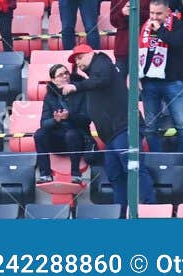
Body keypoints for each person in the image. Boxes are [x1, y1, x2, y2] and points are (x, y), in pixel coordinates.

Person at [66, 43, 154, 204]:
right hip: (111, 135)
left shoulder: (102, 62)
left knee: (133, 168)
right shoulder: (93, 77)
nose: (78, 63)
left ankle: (149, 207)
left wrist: (76, 87)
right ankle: (121, 212)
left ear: (91, 53)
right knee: (115, 174)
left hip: (124, 128)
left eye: (80, 57)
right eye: (75, 61)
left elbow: (102, 80)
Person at [138, 0, 183, 168]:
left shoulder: (178, 25)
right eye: (151, 13)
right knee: (150, 127)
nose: (154, 17)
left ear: (168, 12)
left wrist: (161, 30)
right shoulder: (144, 27)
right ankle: (158, 163)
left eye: (159, 14)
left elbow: (177, 42)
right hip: (149, 83)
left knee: (182, 126)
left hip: (172, 82)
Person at [31, 61, 92, 183]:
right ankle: (45, 174)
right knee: (39, 134)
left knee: (71, 134)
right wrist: (55, 120)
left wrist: (69, 116)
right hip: (57, 140)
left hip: (78, 137)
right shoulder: (49, 97)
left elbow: (87, 119)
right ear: (54, 80)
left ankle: (76, 174)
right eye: (60, 75)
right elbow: (44, 123)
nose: (65, 76)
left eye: (66, 73)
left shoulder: (81, 92)